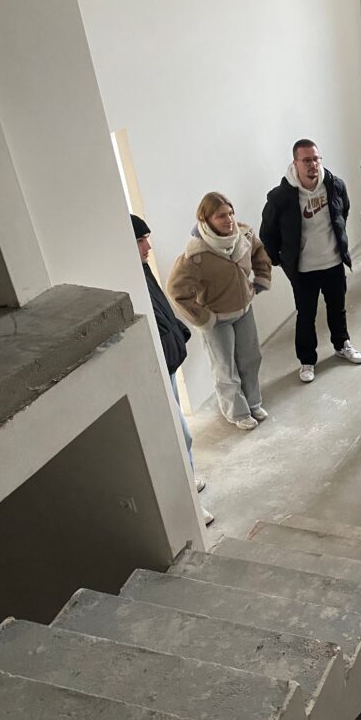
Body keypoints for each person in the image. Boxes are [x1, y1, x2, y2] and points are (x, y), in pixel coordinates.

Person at [259, 139, 361, 383]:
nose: (313, 165)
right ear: (295, 163)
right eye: (306, 160)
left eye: (316, 159)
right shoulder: (280, 197)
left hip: (333, 262)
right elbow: (268, 233)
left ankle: (342, 344)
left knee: (337, 308)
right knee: (306, 315)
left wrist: (338, 245)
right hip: (304, 270)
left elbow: (343, 212)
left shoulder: (335, 185)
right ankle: (307, 360)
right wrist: (281, 261)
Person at [132, 215, 214, 527]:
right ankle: (191, 507)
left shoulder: (142, 270)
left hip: (167, 364)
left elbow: (162, 311)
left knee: (181, 436)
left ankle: (188, 481)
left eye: (146, 239)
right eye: (140, 241)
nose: (148, 246)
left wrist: (178, 333)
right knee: (180, 435)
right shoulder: (129, 277)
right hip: (155, 369)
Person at [166, 193, 272, 432]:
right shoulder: (196, 255)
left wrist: (261, 279)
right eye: (221, 216)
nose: (229, 219)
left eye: (231, 213)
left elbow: (259, 253)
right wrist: (203, 318)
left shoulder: (244, 235)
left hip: (244, 311)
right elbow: (175, 290)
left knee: (251, 358)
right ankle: (237, 412)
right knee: (225, 369)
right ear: (206, 219)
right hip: (217, 322)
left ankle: (253, 403)